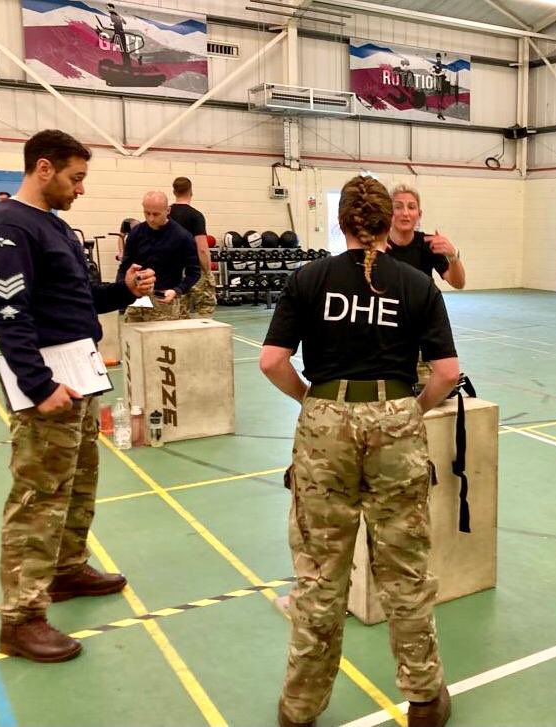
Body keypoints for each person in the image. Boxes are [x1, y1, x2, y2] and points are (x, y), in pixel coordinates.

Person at [260, 175, 458, 727]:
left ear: (344, 222)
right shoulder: (417, 284)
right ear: (383, 225)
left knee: (321, 574)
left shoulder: (309, 279)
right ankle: (423, 697)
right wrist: (409, 411)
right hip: (394, 416)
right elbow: (446, 373)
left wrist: (312, 399)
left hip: (326, 421)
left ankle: (300, 706)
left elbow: (273, 361)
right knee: (405, 569)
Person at [0, 129, 156, 663]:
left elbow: (76, 298)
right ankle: (21, 619)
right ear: (44, 169)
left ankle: (66, 569)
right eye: (75, 178)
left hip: (80, 373)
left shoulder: (53, 226)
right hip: (49, 383)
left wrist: (125, 290)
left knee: (77, 484)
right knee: (37, 499)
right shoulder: (8, 227)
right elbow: (8, 313)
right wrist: (37, 385)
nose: (80, 189)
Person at [388, 184, 464, 387]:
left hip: (421, 329)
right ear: (389, 212)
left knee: (433, 390)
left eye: (411, 207)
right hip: (388, 331)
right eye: (398, 207)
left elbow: (458, 282)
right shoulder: (379, 246)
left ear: (419, 214)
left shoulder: (428, 244)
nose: (405, 213)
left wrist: (452, 256)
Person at [116, 191, 200, 322]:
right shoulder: (136, 233)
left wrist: (177, 290)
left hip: (166, 301)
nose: (151, 218)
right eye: (147, 213)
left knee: (166, 342)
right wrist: (121, 290)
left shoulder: (183, 237)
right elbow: (124, 267)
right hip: (137, 301)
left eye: (156, 214)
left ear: (168, 210)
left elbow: (194, 273)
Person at [169, 176, 216, 318]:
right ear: (191, 191)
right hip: (193, 269)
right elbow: (202, 248)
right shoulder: (195, 216)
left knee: (178, 311)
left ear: (174, 191)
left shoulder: (166, 214)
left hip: (172, 270)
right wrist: (208, 272)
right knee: (206, 307)